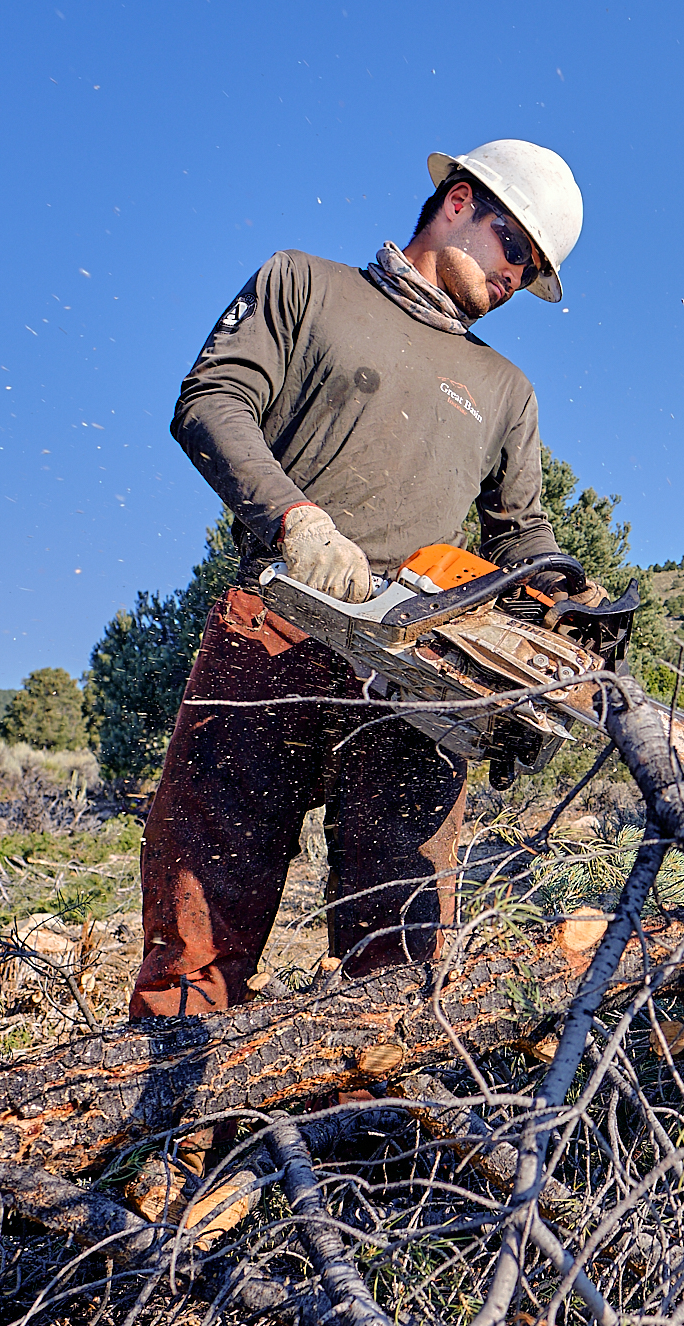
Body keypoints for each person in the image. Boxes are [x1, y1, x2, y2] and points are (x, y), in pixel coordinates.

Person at [128, 140, 585, 1020]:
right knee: (198, 919)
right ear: (457, 200)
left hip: (416, 669)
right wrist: (295, 517)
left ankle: (373, 1149)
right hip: (271, 631)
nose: (519, 278)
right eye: (515, 247)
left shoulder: (505, 388)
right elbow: (211, 400)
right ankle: (162, 1147)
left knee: (401, 953)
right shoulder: (305, 285)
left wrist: (565, 618)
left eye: (534, 271)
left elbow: (523, 537)